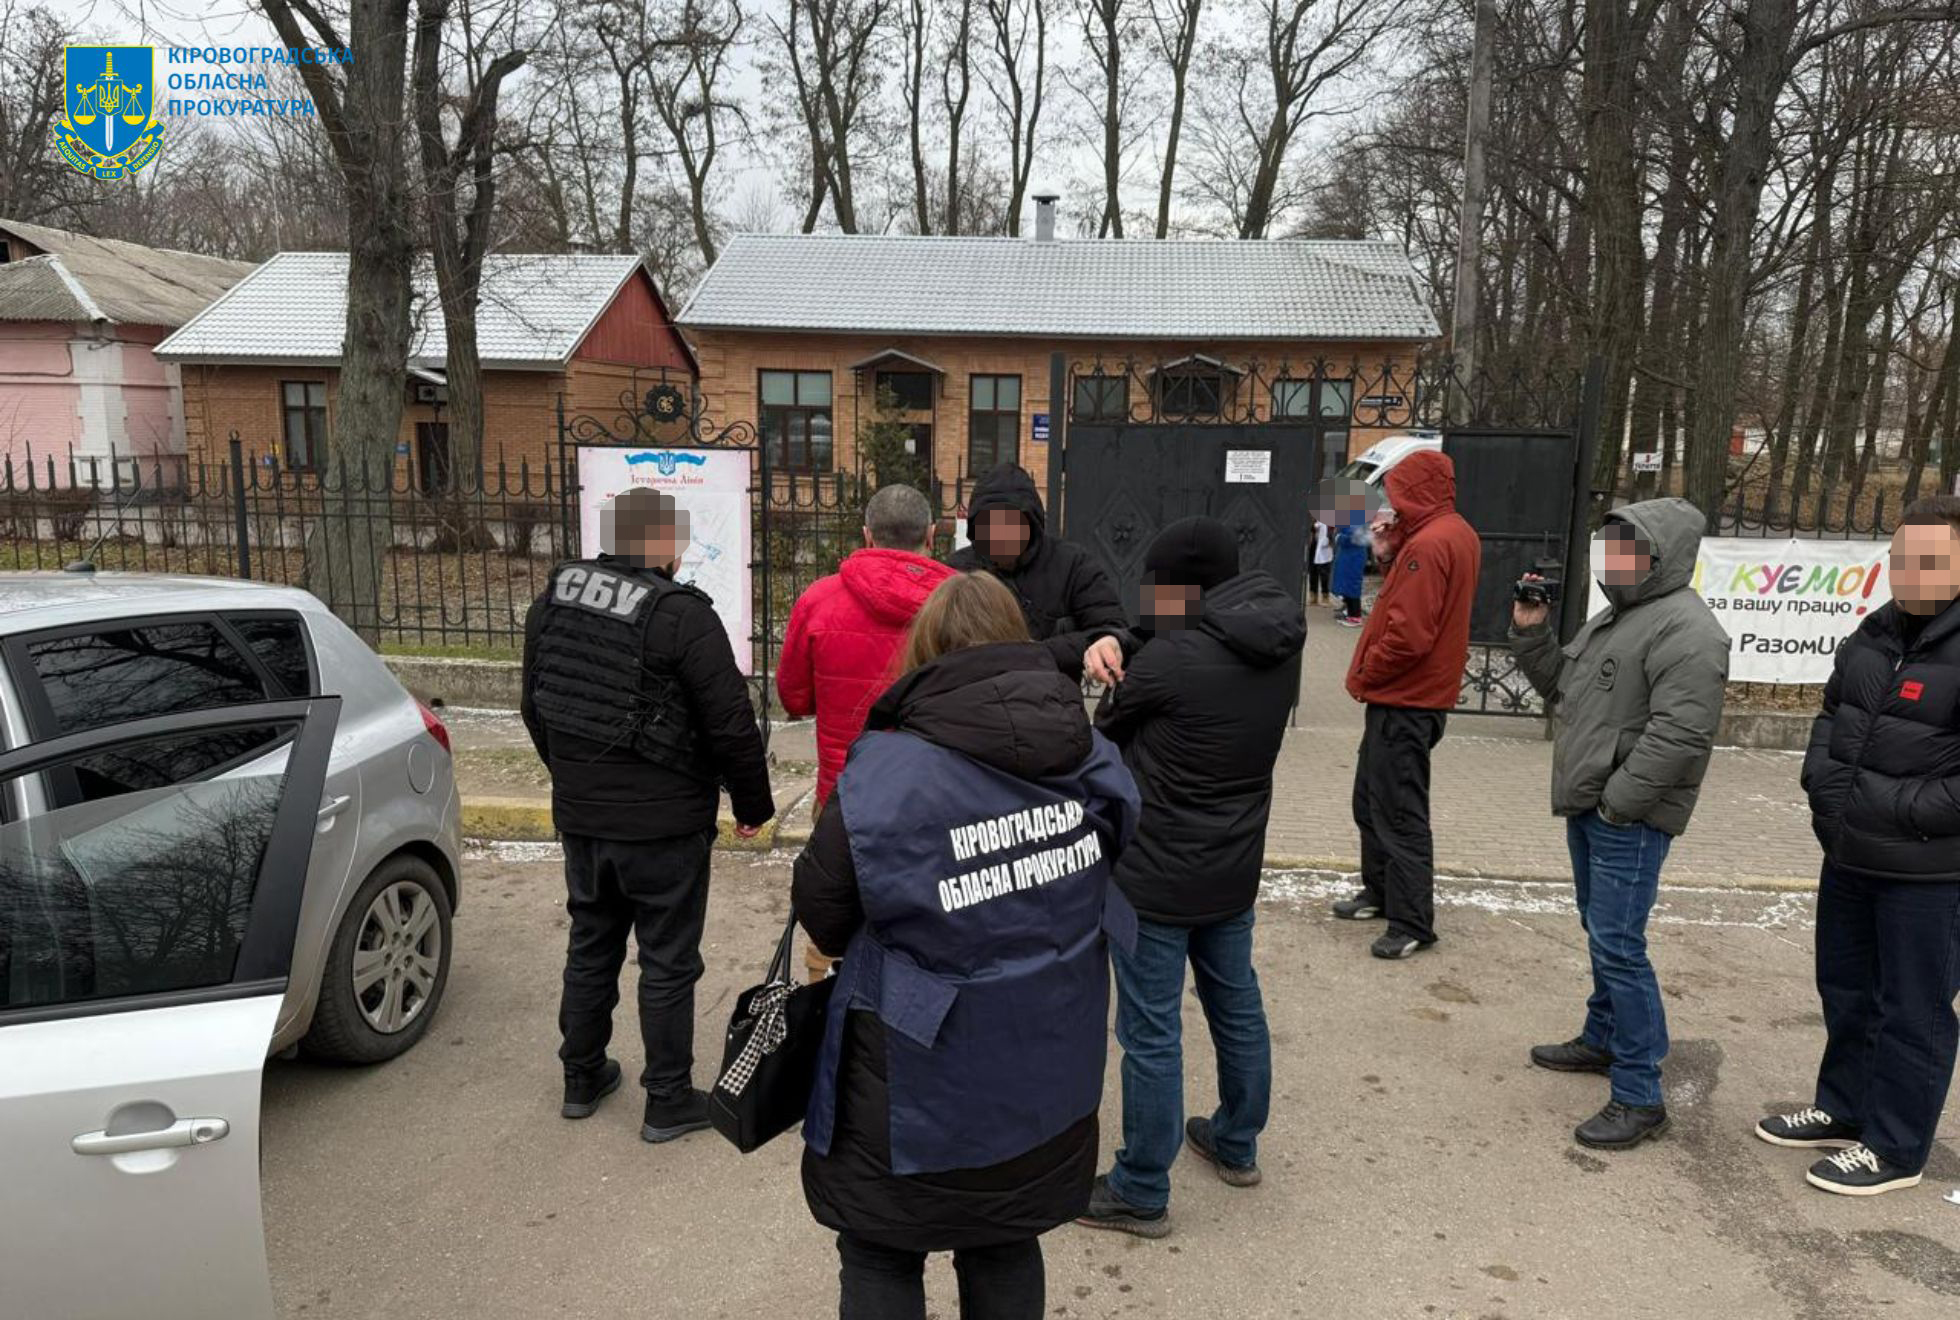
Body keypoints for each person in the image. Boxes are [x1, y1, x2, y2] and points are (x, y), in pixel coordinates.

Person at [792, 571, 1140, 1320]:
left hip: (912, 1081)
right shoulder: (1088, 757)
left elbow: (821, 912)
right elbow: (1113, 852)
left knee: (883, 1249)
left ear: (926, 653)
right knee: (1005, 1238)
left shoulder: (886, 775)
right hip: (1045, 1069)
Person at [1075, 517, 1306, 1238]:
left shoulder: (1170, 663)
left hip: (1153, 879)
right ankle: (1237, 1142)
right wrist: (1141, 641)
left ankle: (1142, 1187)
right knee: (1236, 1007)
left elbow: (1103, 730)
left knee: (1150, 1032)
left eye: (1160, 586)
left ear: (1185, 589)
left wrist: (1114, 664)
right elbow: (1190, 653)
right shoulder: (1277, 643)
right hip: (1233, 869)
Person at [521, 486, 773, 1142]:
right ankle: (666, 1099)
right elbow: (731, 725)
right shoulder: (679, 615)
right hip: (664, 826)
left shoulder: (552, 604)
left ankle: (581, 1076)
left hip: (583, 817)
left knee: (590, 943)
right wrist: (752, 807)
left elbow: (536, 706)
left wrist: (575, 781)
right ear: (661, 542)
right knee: (667, 959)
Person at [1510, 499, 1728, 1151]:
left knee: (1619, 945)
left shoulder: (1688, 631)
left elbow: (1681, 736)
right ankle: (1603, 1037)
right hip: (1595, 806)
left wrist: (1618, 803)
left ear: (1658, 556)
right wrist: (1531, 634)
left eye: (1625, 548)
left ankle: (1639, 1093)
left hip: (1625, 817)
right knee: (1602, 932)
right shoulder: (1619, 618)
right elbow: (1565, 693)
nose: (1610, 561)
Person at [1757, 495, 1960, 1195]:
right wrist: (1823, 785)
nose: (1911, 571)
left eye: (1931, 559)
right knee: (1847, 991)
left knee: (1915, 1010)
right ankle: (1844, 1109)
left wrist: (1899, 810)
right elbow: (1831, 713)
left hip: (1931, 873)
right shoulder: (1874, 632)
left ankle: (1896, 1148)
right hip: (1849, 855)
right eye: (1903, 556)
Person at [779, 484, 957, 981]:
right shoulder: (960, 606)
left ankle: (828, 1030)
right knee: (927, 925)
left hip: (842, 793)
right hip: (936, 796)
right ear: (930, 535)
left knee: (830, 924)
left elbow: (794, 698)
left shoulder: (818, 599)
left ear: (866, 534)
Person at [1332, 450, 1481, 958]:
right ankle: (1380, 892)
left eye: (1396, 493)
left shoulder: (1431, 544)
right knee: (1371, 800)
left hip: (1405, 699)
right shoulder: (1446, 533)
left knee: (1398, 812)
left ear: (1414, 492)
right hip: (1410, 698)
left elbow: (1408, 636)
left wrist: (1366, 674)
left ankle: (1412, 922)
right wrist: (1391, 551)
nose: (1389, 504)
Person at [949, 462, 1129, 684]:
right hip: (976, 702)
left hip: (1053, 704)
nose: (999, 534)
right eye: (990, 525)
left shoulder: (1073, 564)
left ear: (1031, 523)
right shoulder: (957, 570)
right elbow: (938, 640)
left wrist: (1036, 653)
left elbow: (1110, 628)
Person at [1332, 514, 1368, 627]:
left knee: (1352, 584)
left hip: (1353, 556)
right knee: (1346, 583)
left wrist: (1339, 537)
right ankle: (1350, 612)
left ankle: (1355, 616)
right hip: (1349, 555)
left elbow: (1354, 537)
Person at [1308, 518, 1334, 606]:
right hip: (1313, 546)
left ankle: (1325, 597)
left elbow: (1332, 530)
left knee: (1324, 573)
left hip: (1324, 546)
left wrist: (1329, 539)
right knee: (1313, 572)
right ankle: (1313, 596)